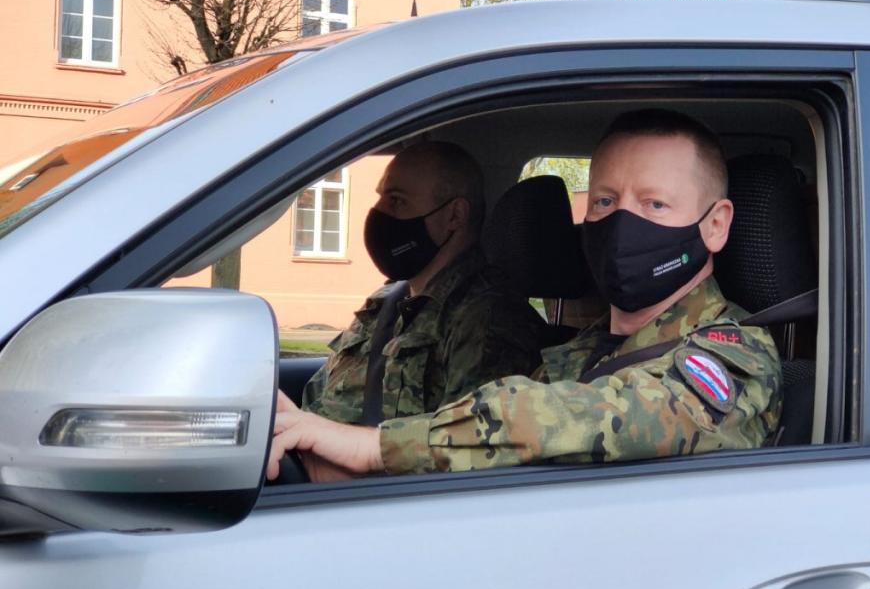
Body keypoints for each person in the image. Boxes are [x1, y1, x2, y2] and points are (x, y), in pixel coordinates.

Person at [269, 110, 782, 481]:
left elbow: (582, 418)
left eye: (655, 204)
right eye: (605, 201)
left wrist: (373, 447)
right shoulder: (579, 351)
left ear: (715, 225)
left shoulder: (735, 358)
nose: (622, 221)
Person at [280, 141, 545, 481]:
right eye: (381, 198)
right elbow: (319, 399)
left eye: (397, 201)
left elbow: (466, 454)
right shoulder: (387, 301)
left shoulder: (489, 321)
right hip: (309, 478)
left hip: (373, 501)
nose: (378, 214)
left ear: (454, 216)